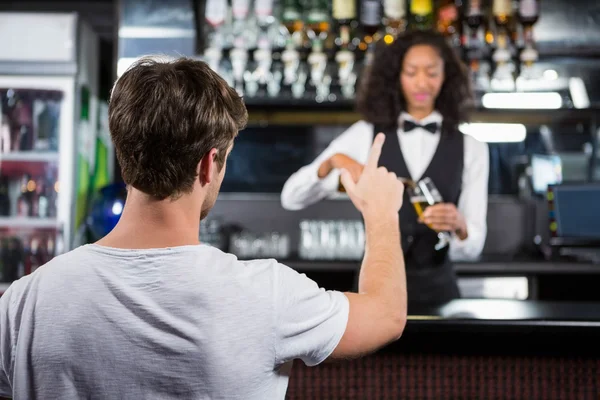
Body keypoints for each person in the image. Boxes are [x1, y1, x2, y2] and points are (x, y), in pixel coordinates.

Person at [0, 56, 407, 399]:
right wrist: (381, 211)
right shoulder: (265, 294)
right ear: (208, 164)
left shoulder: (25, 302)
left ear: (123, 153)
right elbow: (387, 315)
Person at [281, 30, 490, 308]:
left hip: (439, 295)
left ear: (446, 77)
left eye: (432, 73)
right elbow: (291, 197)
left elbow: (474, 247)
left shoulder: (472, 147)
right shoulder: (365, 134)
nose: (421, 82)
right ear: (396, 77)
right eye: (411, 72)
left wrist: (461, 226)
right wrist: (334, 161)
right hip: (373, 295)